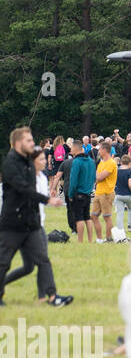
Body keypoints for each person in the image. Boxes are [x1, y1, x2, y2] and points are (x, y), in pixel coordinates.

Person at [0, 129, 70, 307]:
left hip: (31, 223)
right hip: (12, 223)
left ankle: (53, 297)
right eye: (29, 140)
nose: (33, 143)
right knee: (4, 262)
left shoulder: (29, 164)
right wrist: (47, 199)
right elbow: (23, 189)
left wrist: (39, 219)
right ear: (18, 143)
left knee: (43, 260)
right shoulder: (10, 164)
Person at [91, 141, 118, 242]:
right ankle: (99, 239)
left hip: (107, 193)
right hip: (98, 192)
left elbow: (101, 176)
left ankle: (108, 238)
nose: (98, 151)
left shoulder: (111, 163)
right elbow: (97, 177)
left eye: (99, 149)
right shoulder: (102, 162)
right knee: (93, 216)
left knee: (107, 217)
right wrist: (97, 177)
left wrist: (97, 177)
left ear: (104, 150)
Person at [112, 153, 131, 234]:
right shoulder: (129, 172)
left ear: (121, 162)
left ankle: (120, 229)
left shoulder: (117, 171)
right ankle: (130, 226)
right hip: (127, 194)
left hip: (118, 194)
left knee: (120, 212)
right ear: (129, 163)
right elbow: (130, 183)